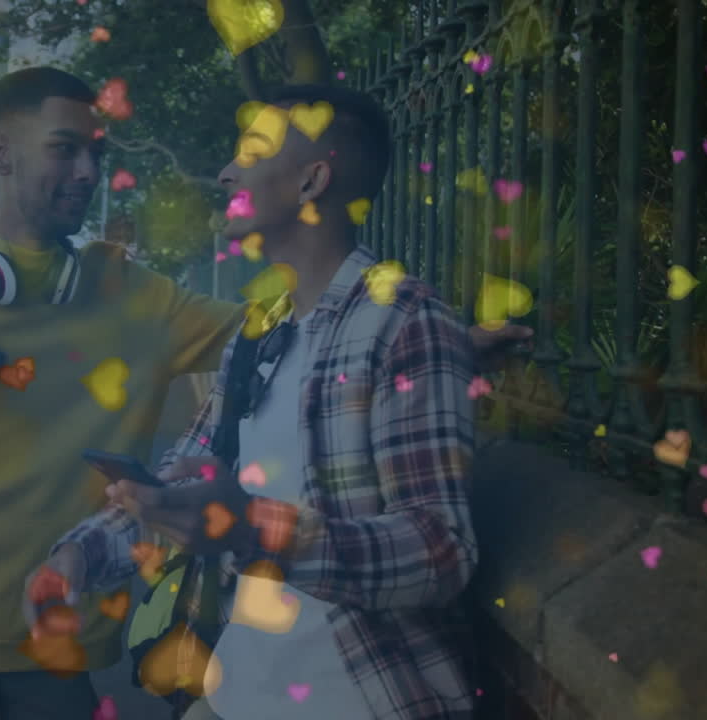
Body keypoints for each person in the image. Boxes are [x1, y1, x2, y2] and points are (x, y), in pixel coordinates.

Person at [0, 67, 528, 720]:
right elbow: (176, 484)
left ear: (309, 182)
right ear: (0, 154)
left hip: (95, 661)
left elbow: (351, 364)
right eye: (65, 149)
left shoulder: (156, 299)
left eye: (96, 153)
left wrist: (442, 339)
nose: (88, 171)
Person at [33, 84, 510, 720]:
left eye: (252, 150)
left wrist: (257, 530)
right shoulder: (260, 333)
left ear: (313, 181)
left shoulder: (404, 323)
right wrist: (75, 558)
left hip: (360, 701)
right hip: (234, 695)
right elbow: (179, 477)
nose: (228, 169)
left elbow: (440, 552)